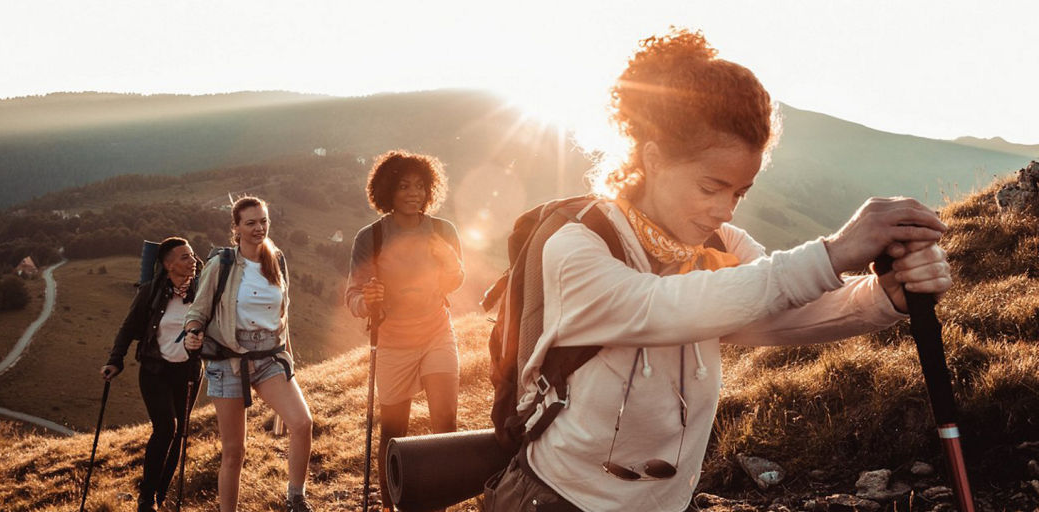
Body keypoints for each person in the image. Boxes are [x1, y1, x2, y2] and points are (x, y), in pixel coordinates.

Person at [484, 29, 954, 511]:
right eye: (711, 187)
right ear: (653, 158)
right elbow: (665, 308)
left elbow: (780, 309)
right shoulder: (578, 246)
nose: (726, 210)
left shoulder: (719, 244)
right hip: (562, 498)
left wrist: (886, 295)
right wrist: (834, 252)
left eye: (739, 192)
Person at [346, 150, 465, 511]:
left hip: (436, 334)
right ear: (387, 191)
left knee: (444, 424)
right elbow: (353, 298)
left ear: (430, 189)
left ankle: (438, 503)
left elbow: (456, 280)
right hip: (394, 343)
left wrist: (449, 262)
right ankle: (389, 503)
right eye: (403, 186)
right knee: (393, 432)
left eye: (420, 185)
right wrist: (368, 300)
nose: (413, 193)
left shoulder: (443, 230)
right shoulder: (372, 237)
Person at [182, 196, 315, 512]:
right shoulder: (223, 264)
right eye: (251, 223)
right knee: (234, 451)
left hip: (269, 357)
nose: (259, 228)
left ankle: (296, 497)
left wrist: (288, 358)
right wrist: (192, 332)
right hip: (229, 361)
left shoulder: (277, 260)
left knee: (302, 423)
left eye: (264, 221)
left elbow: (283, 315)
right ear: (236, 228)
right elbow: (198, 310)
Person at [101, 237, 201, 512]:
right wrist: (115, 361)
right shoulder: (150, 292)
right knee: (165, 428)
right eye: (184, 257)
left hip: (189, 372)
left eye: (192, 255)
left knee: (180, 432)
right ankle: (146, 499)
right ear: (168, 264)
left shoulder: (203, 291)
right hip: (155, 371)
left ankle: (161, 494)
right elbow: (128, 327)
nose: (192, 260)